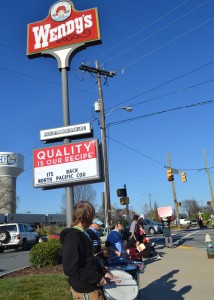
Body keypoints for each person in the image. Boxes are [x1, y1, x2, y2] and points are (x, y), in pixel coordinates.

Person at [60, 201, 119, 300]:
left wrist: (104, 272)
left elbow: (89, 260)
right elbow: (70, 269)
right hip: (86, 292)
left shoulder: (83, 234)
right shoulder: (73, 237)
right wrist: (97, 278)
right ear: (86, 216)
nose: (92, 220)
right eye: (92, 216)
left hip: (92, 288)